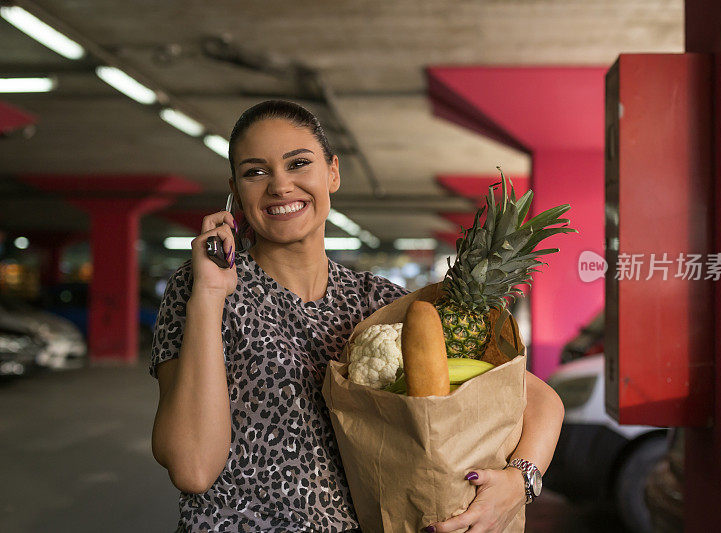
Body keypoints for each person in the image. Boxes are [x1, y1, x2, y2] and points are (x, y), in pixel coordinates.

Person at [150, 99, 565, 533]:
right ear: (234, 189)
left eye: (298, 164)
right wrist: (210, 295)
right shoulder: (203, 287)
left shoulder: (384, 305)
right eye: (256, 171)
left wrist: (521, 480)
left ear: (332, 172)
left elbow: (535, 397)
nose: (280, 186)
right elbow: (193, 468)